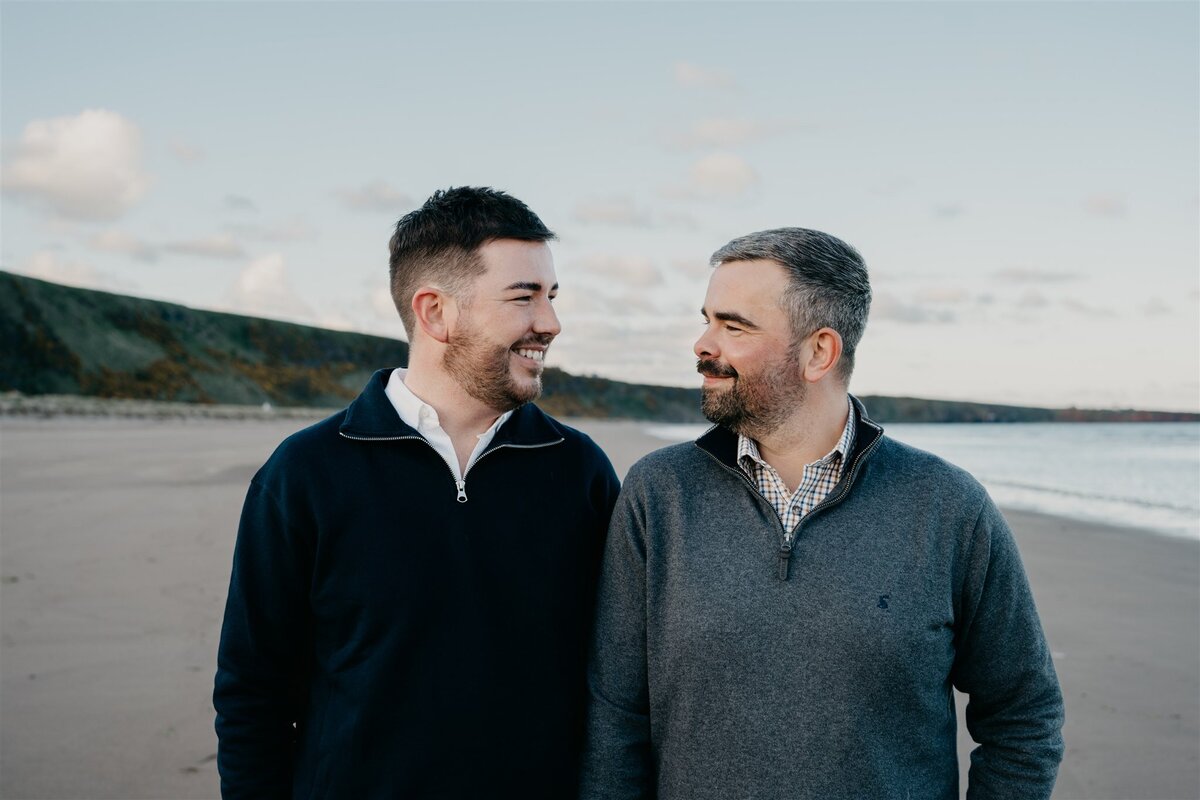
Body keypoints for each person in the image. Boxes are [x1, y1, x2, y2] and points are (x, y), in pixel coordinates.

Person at [579, 228, 1064, 799]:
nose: (703, 344)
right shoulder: (659, 493)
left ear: (819, 352)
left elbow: (1023, 716)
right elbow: (615, 719)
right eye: (707, 319)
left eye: (733, 326)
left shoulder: (948, 507)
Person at [214, 187, 620, 799]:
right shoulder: (305, 473)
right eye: (524, 297)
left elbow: (615, 686)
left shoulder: (580, 471)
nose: (551, 323)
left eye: (552, 296)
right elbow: (254, 690)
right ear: (434, 312)